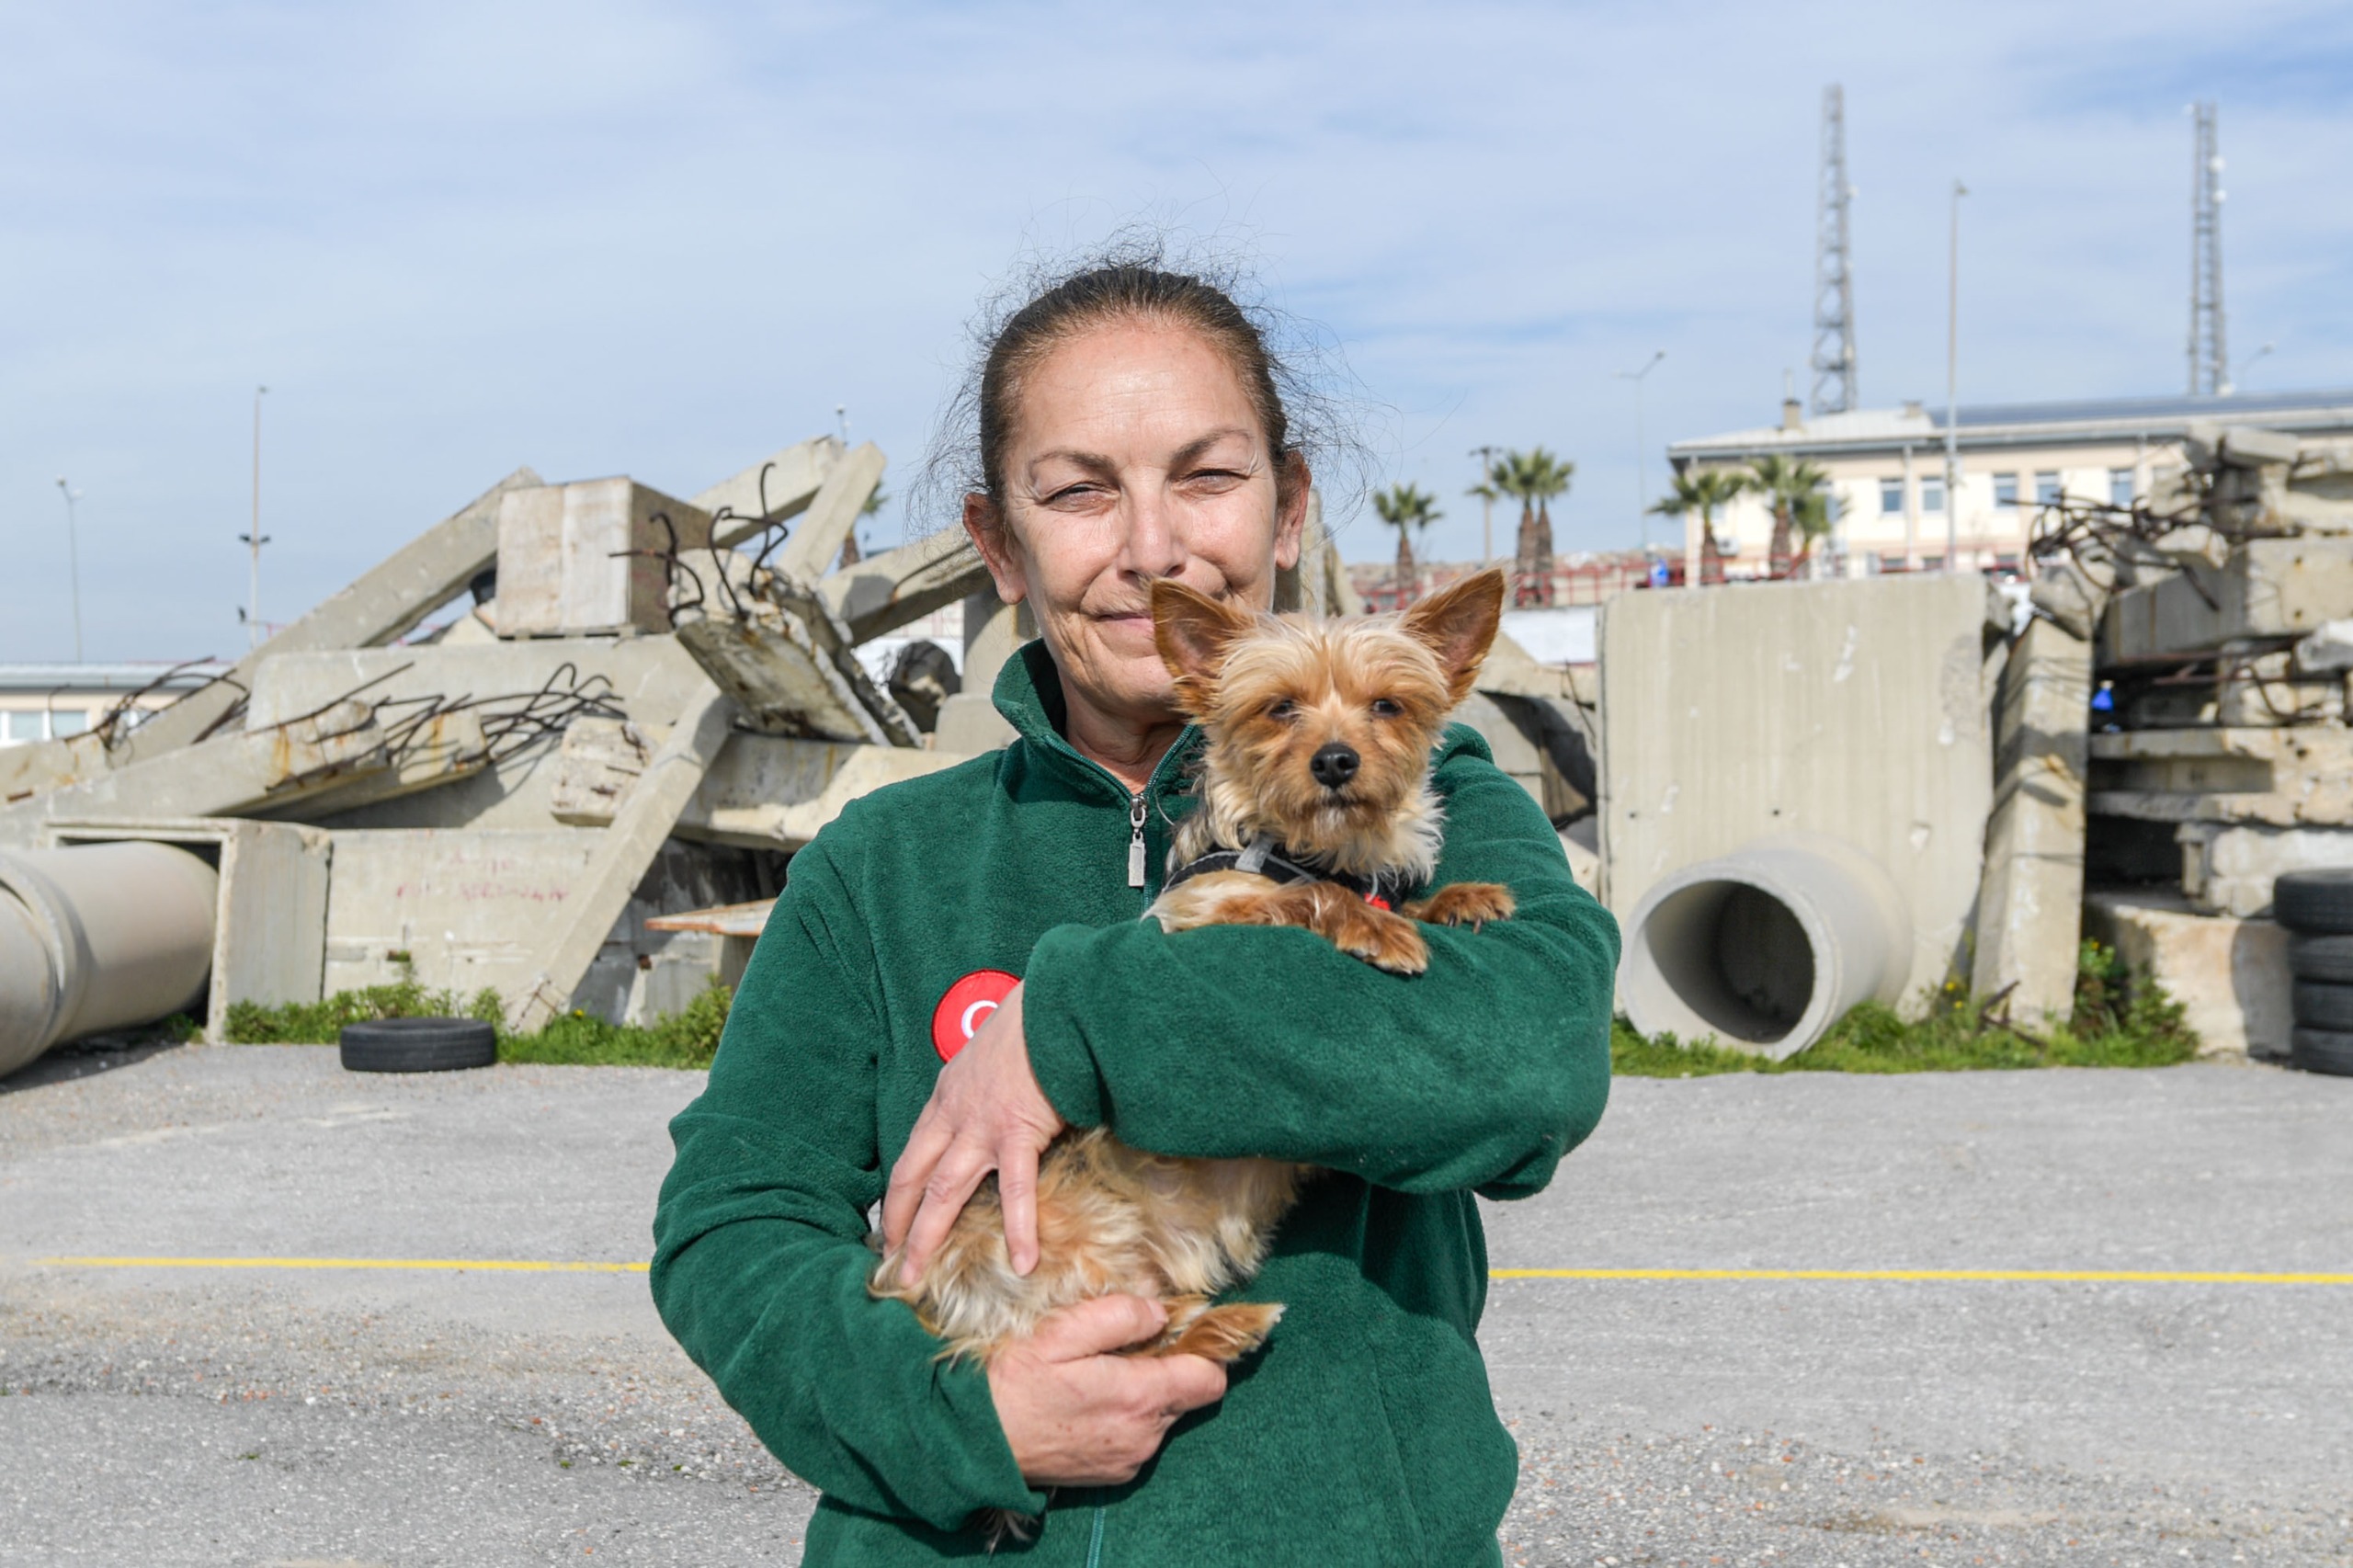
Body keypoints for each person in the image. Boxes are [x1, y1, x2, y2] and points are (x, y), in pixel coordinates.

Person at [651, 259, 1619, 1565]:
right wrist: (961, 1417)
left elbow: (1532, 1061)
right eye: (1079, 491)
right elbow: (731, 1227)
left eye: (1207, 475)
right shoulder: (883, 866)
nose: (1152, 548)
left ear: (1289, 509)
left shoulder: (1435, 798)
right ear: (999, 545)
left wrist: (1076, 1027)